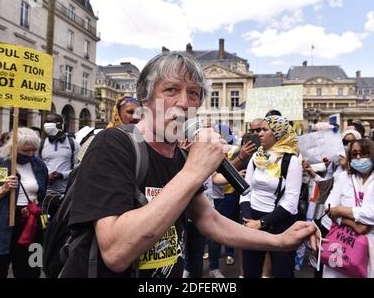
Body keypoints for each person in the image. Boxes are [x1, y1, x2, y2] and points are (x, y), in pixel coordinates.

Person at [60, 52, 318, 278]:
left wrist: (279, 241)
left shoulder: (179, 157)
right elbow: (115, 252)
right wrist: (195, 170)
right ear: (146, 99)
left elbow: (210, 221)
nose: (184, 102)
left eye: (193, 93)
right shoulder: (113, 144)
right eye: (171, 90)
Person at [0, 128, 48, 278]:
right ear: (13, 147)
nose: (31, 154)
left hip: (31, 226)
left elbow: (41, 196)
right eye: (26, 150)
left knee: (31, 270)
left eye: (34, 150)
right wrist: (3, 189)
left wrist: (34, 208)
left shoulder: (39, 165)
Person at [324, 139, 374, 278]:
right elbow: (329, 207)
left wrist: (341, 210)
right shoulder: (345, 177)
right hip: (345, 243)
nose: (358, 157)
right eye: (354, 154)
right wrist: (353, 224)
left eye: (363, 154)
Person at [239, 115, 302, 278]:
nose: (259, 133)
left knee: (282, 271)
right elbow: (246, 191)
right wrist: (247, 219)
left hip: (280, 222)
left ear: (277, 134)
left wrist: (261, 223)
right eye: (259, 130)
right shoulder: (256, 157)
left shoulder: (291, 161)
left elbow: (290, 203)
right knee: (250, 271)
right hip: (252, 219)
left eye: (264, 130)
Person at [40, 113, 80, 195]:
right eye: (45, 122)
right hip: (44, 191)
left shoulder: (73, 144)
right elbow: (36, 166)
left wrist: (62, 175)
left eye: (50, 122)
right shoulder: (41, 143)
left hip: (65, 191)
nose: (46, 125)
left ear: (59, 125)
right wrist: (45, 177)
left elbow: (78, 168)